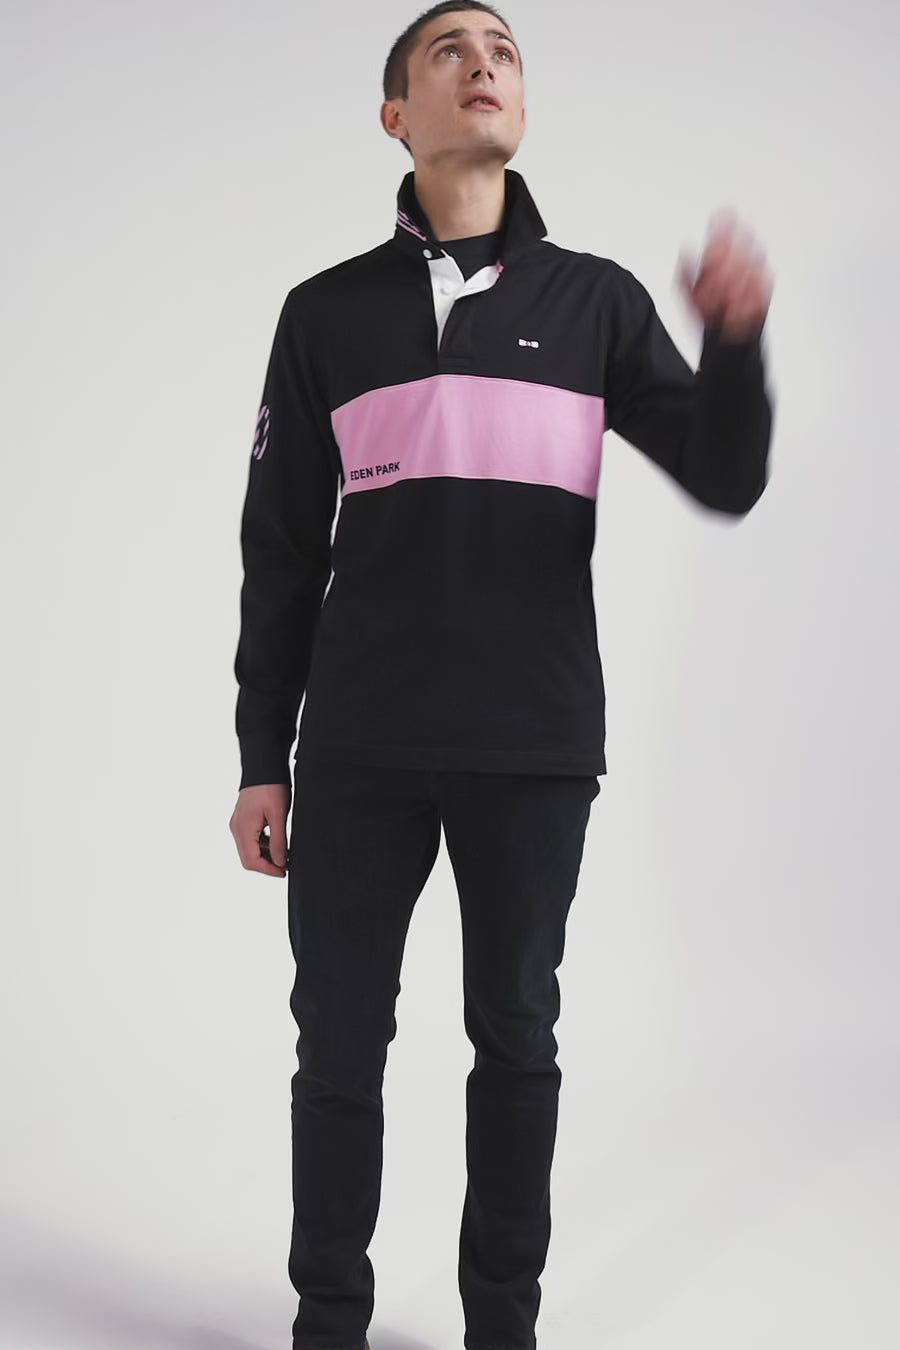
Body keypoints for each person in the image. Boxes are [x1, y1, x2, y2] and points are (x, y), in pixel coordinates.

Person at [228, 3, 775, 1347]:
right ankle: (329, 1320)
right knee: (337, 1045)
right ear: (395, 117)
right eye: (450, 50)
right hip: (357, 746)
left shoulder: (595, 303)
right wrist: (260, 757)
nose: (484, 62)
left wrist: (736, 348)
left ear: (519, 107)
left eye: (505, 52)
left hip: (532, 744)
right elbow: (281, 551)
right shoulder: (324, 314)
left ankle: (501, 1327)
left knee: (517, 1036)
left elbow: (724, 474)